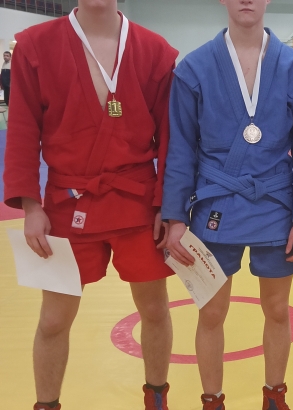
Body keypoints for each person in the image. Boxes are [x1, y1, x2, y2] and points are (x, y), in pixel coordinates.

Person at [2, 1, 178, 409]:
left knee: (154, 309)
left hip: (138, 204)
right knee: (53, 319)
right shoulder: (34, 47)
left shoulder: (156, 51)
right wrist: (30, 206)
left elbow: (172, 138)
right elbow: (23, 129)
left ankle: (156, 399)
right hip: (66, 203)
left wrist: (167, 206)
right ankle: (46, 404)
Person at [161, 0, 293, 408]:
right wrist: (175, 217)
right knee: (211, 313)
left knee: (278, 310)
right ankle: (212, 400)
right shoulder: (194, 69)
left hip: (275, 207)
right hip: (216, 204)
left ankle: (274, 397)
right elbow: (180, 148)